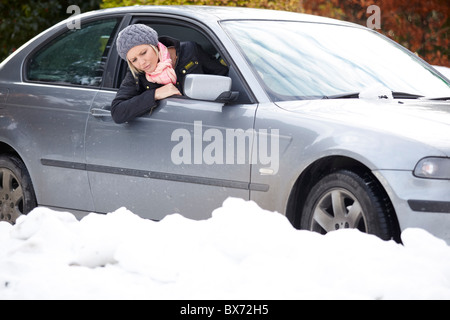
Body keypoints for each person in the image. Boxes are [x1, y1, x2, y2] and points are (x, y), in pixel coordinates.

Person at [111, 24, 229, 124]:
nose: (141, 63)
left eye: (143, 53)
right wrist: (155, 94)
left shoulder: (190, 51)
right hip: (169, 129)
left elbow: (224, 75)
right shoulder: (136, 74)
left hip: (206, 121)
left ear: (154, 46)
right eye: (134, 60)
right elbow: (117, 112)